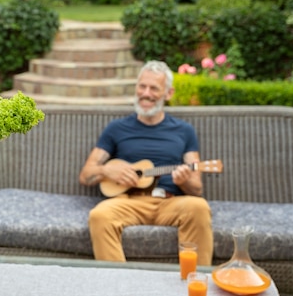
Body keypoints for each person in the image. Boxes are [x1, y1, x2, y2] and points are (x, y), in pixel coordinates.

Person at [78, 60, 213, 265]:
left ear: (168, 94)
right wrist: (107, 170)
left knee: (199, 207)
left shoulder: (184, 131)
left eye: (154, 88)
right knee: (99, 215)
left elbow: (196, 189)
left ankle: (194, 282)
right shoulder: (116, 128)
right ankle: (120, 285)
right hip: (128, 201)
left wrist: (184, 181)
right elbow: (86, 175)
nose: (146, 93)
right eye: (142, 86)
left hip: (169, 202)